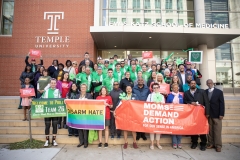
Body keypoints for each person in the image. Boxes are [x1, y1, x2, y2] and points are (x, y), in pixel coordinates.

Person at [183, 80, 210, 151]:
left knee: (202, 128)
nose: (193, 84)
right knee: (193, 128)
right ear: (189, 85)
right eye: (191, 83)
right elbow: (185, 101)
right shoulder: (186, 93)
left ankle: (203, 143)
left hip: (201, 114)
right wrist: (191, 102)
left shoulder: (202, 91)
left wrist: (207, 113)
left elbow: (206, 102)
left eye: (194, 83)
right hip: (192, 114)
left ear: (196, 84)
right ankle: (194, 142)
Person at [205, 79, 225, 152]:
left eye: (210, 83)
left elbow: (222, 103)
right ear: (207, 84)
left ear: (213, 83)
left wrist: (221, 114)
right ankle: (210, 143)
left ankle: (218, 145)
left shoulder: (219, 92)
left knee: (217, 130)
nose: (209, 84)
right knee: (210, 130)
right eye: (208, 83)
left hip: (217, 114)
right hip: (209, 114)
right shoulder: (205, 92)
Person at [41, 78, 61, 147]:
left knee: (55, 125)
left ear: (56, 84)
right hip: (47, 111)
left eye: (54, 83)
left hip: (55, 111)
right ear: (50, 84)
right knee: (47, 126)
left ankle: (54, 140)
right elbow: (42, 100)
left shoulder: (58, 91)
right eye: (52, 83)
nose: (53, 84)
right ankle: (47, 141)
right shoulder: (46, 91)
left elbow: (60, 101)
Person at [147, 83, 165, 150]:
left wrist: (160, 103)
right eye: (154, 88)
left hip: (159, 114)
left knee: (158, 129)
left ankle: (158, 143)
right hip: (152, 114)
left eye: (157, 87)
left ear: (159, 88)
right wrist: (153, 103)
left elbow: (164, 105)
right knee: (152, 129)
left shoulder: (162, 96)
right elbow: (147, 103)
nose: (155, 89)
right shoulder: (150, 95)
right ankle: (152, 143)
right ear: (152, 89)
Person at [166, 84, 184, 149]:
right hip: (172, 115)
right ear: (172, 89)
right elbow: (167, 104)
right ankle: (174, 143)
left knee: (179, 128)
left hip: (180, 115)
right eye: (174, 88)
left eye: (177, 88)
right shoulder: (169, 96)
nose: (176, 89)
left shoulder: (181, 96)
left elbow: (184, 105)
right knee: (173, 129)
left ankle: (179, 142)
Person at [77, 83, 93, 148]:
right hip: (78, 114)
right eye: (82, 87)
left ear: (86, 89)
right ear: (80, 88)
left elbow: (91, 104)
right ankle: (81, 142)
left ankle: (86, 143)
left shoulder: (89, 96)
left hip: (86, 114)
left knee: (85, 128)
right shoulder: (77, 96)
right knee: (79, 128)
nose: (83, 89)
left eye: (84, 87)